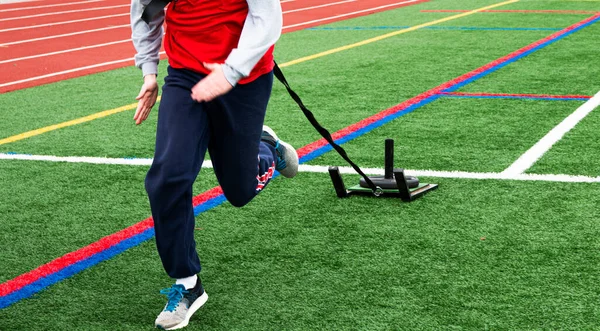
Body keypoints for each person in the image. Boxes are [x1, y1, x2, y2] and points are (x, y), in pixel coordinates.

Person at [130, 0, 298, 329]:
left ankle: (266, 148)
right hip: (185, 76)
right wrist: (149, 72)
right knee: (167, 177)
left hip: (245, 77)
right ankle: (187, 284)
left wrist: (231, 71)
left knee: (239, 191)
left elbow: (267, 18)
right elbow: (146, 11)